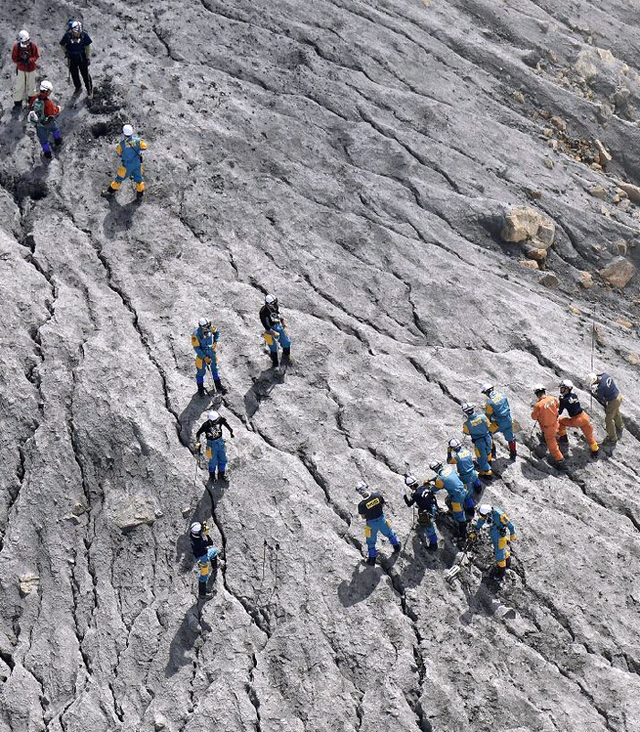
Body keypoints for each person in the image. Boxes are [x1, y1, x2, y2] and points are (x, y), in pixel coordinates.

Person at [428, 460, 472, 546]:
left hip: (457, 497)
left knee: (459, 515)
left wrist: (428, 488)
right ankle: (469, 513)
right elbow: (442, 476)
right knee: (449, 501)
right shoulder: (449, 469)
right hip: (463, 490)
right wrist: (432, 479)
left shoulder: (440, 479)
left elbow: (436, 488)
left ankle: (463, 534)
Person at [468, 504, 517, 580]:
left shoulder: (500, 515)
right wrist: (476, 529)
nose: (484, 517)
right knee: (502, 551)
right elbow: (481, 520)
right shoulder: (489, 513)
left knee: (499, 556)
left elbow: (511, 525)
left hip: (500, 538)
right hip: (494, 534)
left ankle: (501, 573)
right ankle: (507, 563)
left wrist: (512, 534)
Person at [357, 483, 400, 565]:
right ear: (366, 488)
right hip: (381, 519)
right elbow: (382, 504)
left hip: (370, 524)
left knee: (370, 541)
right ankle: (397, 547)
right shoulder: (377, 495)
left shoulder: (361, 505)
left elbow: (363, 516)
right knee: (390, 533)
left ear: (359, 493)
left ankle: (372, 559)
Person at [102, 124, 148, 201]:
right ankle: (139, 195)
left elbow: (119, 153)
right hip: (137, 164)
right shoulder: (138, 141)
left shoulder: (121, 144)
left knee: (119, 179)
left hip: (127, 166)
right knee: (139, 179)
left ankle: (110, 191)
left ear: (124, 133)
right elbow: (144, 146)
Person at [558, 380, 598, 457]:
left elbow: (559, 412)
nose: (561, 390)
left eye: (562, 388)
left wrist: (560, 401)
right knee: (589, 436)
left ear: (566, 389)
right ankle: (595, 451)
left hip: (576, 419)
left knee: (561, 421)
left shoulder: (564, 400)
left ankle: (564, 438)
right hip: (584, 417)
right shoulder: (574, 395)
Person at [531, 384, 565, 468]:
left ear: (537, 394)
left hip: (548, 428)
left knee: (552, 446)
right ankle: (563, 438)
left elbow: (534, 417)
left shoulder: (538, 405)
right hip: (556, 423)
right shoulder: (552, 398)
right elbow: (557, 405)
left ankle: (561, 461)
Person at [403, 475, 439, 551]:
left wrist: (404, 496)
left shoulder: (416, 494)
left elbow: (409, 504)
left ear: (411, 486)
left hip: (427, 512)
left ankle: (433, 545)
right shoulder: (425, 487)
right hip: (433, 507)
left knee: (430, 529)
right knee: (430, 526)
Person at [195, 410, 234, 481]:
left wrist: (231, 431)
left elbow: (225, 423)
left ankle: (222, 474)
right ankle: (212, 476)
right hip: (210, 444)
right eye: (215, 420)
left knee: (223, 459)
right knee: (212, 461)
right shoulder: (205, 425)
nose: (217, 421)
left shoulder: (220, 420)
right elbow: (198, 433)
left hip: (220, 442)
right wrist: (198, 443)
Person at [481, 383, 517, 460]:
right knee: (511, 438)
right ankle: (513, 454)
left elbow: (488, 416)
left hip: (499, 424)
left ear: (486, 392)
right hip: (508, 420)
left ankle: (493, 452)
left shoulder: (489, 402)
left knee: (487, 433)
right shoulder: (503, 395)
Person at [27, 81, 62, 159]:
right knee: (55, 129)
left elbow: (30, 106)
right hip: (48, 122)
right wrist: (58, 109)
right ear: (47, 92)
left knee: (43, 140)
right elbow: (53, 112)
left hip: (39, 125)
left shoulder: (34, 98)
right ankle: (58, 141)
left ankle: (47, 153)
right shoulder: (48, 103)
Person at [60, 20, 93, 99]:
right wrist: (66, 52)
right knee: (74, 74)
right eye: (76, 33)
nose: (78, 34)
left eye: (79, 32)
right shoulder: (67, 36)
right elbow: (62, 45)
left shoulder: (84, 35)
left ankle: (89, 89)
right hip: (72, 57)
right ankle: (78, 87)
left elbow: (88, 46)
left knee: (85, 74)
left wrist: (88, 57)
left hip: (82, 57)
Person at [588, 372, 624, 445]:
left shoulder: (601, 388)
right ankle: (620, 426)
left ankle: (612, 438)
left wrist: (594, 390)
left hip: (613, 400)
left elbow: (600, 397)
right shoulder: (605, 375)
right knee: (616, 412)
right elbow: (600, 375)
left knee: (608, 419)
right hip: (618, 395)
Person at [191, 317, 223, 396]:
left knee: (214, 369)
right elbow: (197, 348)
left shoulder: (210, 329)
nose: (208, 327)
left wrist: (215, 342)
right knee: (200, 372)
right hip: (202, 355)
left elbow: (216, 332)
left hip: (211, 352)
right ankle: (200, 389)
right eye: (206, 326)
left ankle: (218, 386)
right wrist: (204, 357)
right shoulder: (195, 335)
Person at [446, 438, 482, 509]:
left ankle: (471, 511)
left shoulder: (457, 457)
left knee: (468, 495)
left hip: (465, 476)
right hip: (473, 472)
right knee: (476, 481)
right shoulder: (467, 451)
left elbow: (449, 461)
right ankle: (479, 490)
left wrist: (449, 452)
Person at [461, 403, 493, 478]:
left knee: (481, 456)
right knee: (488, 451)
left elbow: (466, 432)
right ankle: (489, 462)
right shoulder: (483, 417)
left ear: (465, 412)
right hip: (487, 437)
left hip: (479, 441)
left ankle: (487, 472)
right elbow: (489, 425)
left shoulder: (467, 424)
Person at [260, 294, 291, 369]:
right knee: (273, 346)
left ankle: (286, 355)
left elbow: (277, 314)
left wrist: (282, 320)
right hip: (269, 330)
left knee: (286, 341)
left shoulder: (274, 307)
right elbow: (266, 325)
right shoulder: (263, 312)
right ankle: (275, 363)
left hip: (276, 325)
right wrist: (273, 332)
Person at [190, 521, 219, 599]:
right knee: (204, 577)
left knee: (213, 552)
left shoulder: (192, 535)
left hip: (197, 555)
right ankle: (202, 594)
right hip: (203, 559)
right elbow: (210, 542)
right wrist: (207, 534)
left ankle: (215, 567)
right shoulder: (199, 542)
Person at [12, 29, 39, 109]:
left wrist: (30, 60)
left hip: (31, 68)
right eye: (24, 42)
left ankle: (32, 101)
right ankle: (18, 102)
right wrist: (21, 62)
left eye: (27, 41)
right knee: (19, 86)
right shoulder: (16, 47)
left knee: (32, 85)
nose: (26, 43)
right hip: (21, 69)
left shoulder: (33, 46)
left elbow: (36, 55)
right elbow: (14, 58)